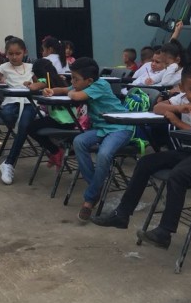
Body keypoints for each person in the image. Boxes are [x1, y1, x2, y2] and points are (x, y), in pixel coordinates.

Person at [90, 61, 191, 247]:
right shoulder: (183, 99)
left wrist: (175, 120)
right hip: (188, 151)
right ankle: (122, 215)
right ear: (182, 88)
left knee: (177, 175)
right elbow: (157, 108)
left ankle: (165, 232)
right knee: (146, 162)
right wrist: (177, 109)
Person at [44, 57, 132, 221]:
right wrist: (52, 91)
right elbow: (65, 90)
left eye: (75, 79)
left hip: (120, 127)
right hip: (101, 128)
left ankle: (90, 198)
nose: (72, 82)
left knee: (104, 154)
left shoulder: (100, 85)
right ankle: (95, 187)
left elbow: (75, 96)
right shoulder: (82, 84)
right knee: (79, 142)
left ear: (89, 80)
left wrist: (71, 92)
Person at [0, 37, 35, 185]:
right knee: (8, 115)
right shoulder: (4, 67)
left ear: (24, 52)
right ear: (6, 53)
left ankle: (9, 163)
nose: (14, 57)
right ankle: (18, 129)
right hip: (11, 101)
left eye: (17, 53)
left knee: (24, 126)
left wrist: (35, 85)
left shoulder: (31, 67)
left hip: (29, 102)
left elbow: (42, 82)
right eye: (11, 54)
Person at [26, 58, 74, 168]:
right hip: (71, 120)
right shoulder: (61, 80)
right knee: (39, 124)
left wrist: (30, 83)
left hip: (59, 121)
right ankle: (55, 151)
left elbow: (33, 87)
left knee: (30, 128)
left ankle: (55, 151)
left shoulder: (45, 80)